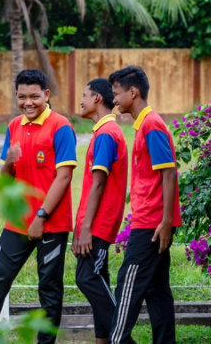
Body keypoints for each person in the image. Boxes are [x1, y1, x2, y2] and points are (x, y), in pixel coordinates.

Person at [0, 69, 77, 344]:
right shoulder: (14, 127)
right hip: (18, 221)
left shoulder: (61, 126)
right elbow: (6, 179)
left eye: (34, 96)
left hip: (51, 223)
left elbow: (64, 176)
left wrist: (41, 216)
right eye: (22, 97)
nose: (28, 102)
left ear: (46, 94)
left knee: (49, 288)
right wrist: (9, 161)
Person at [107, 66, 182, 344]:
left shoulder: (151, 124)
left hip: (150, 224)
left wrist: (164, 222)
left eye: (116, 93)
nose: (114, 99)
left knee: (128, 283)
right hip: (151, 221)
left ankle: (118, 340)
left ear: (133, 92)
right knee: (156, 290)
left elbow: (169, 171)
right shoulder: (144, 124)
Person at [72, 78, 128, 344]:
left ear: (96, 99)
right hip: (94, 224)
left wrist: (85, 230)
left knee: (87, 278)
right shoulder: (103, 132)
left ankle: (123, 338)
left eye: (84, 95)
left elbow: (98, 185)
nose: (80, 101)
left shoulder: (106, 135)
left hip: (99, 226)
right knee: (98, 279)